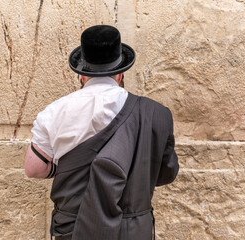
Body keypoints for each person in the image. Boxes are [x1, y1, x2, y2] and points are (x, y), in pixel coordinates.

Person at [25, 25, 179, 240]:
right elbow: (166, 173)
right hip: (134, 230)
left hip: (74, 228)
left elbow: (34, 169)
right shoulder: (156, 114)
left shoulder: (53, 112)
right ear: (120, 73)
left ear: (82, 76)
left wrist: (68, 168)